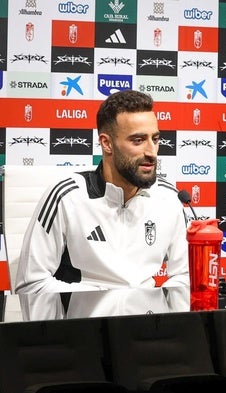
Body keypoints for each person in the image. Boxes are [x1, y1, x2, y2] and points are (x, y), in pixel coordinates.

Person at [15, 90, 190, 294]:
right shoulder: (67, 196)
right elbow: (30, 285)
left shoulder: (169, 198)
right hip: (82, 322)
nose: (151, 151)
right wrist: (103, 303)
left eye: (155, 139)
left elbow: (186, 276)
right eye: (138, 140)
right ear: (107, 143)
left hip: (145, 321)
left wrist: (156, 303)